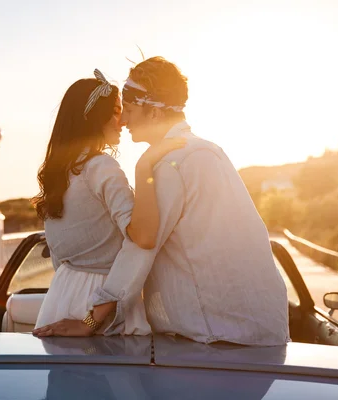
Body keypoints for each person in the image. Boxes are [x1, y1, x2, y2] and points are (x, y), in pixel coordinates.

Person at [33, 58, 290, 346]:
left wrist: (90, 320)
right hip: (239, 329)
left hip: (222, 334)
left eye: (127, 110)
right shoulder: (203, 151)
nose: (123, 120)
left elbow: (141, 246)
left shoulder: (171, 164)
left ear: (154, 113)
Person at [31, 69, 186, 336]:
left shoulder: (60, 174)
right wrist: (146, 164)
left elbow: (59, 255)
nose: (122, 120)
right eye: (115, 111)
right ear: (94, 119)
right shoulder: (100, 166)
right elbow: (141, 237)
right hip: (101, 300)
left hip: (62, 294)